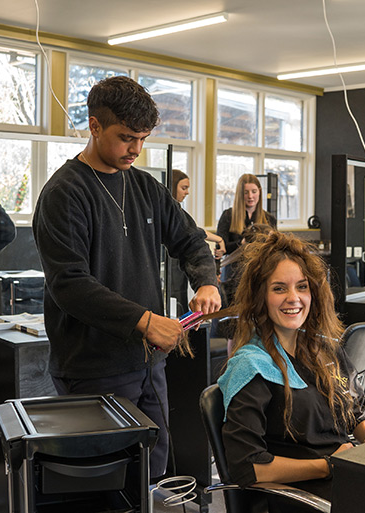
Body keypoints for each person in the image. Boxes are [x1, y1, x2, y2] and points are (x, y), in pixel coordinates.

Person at [32, 76, 221, 479]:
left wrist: (206, 281)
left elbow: (190, 239)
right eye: (126, 137)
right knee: (105, 478)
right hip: (92, 367)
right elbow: (70, 285)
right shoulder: (64, 194)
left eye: (143, 138)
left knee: (151, 467)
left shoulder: (145, 187)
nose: (136, 149)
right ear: (95, 126)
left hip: (148, 361)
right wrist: (146, 321)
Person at [209, 231, 365, 502]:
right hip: (300, 498)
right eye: (279, 288)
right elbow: (246, 466)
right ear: (260, 297)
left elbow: (358, 411)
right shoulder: (251, 367)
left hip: (344, 478)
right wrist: (327, 465)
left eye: (302, 287)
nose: (294, 298)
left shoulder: (326, 350)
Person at [215, 174, 277, 339]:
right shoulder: (228, 216)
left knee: (260, 325)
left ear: (259, 192)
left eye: (254, 191)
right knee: (235, 329)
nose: (250, 196)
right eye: (246, 192)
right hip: (233, 278)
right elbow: (220, 246)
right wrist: (241, 244)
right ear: (239, 194)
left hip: (260, 276)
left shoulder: (269, 219)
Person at [169, 169, 225, 313]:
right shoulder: (168, 210)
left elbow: (191, 231)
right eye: (183, 188)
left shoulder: (179, 212)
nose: (187, 192)